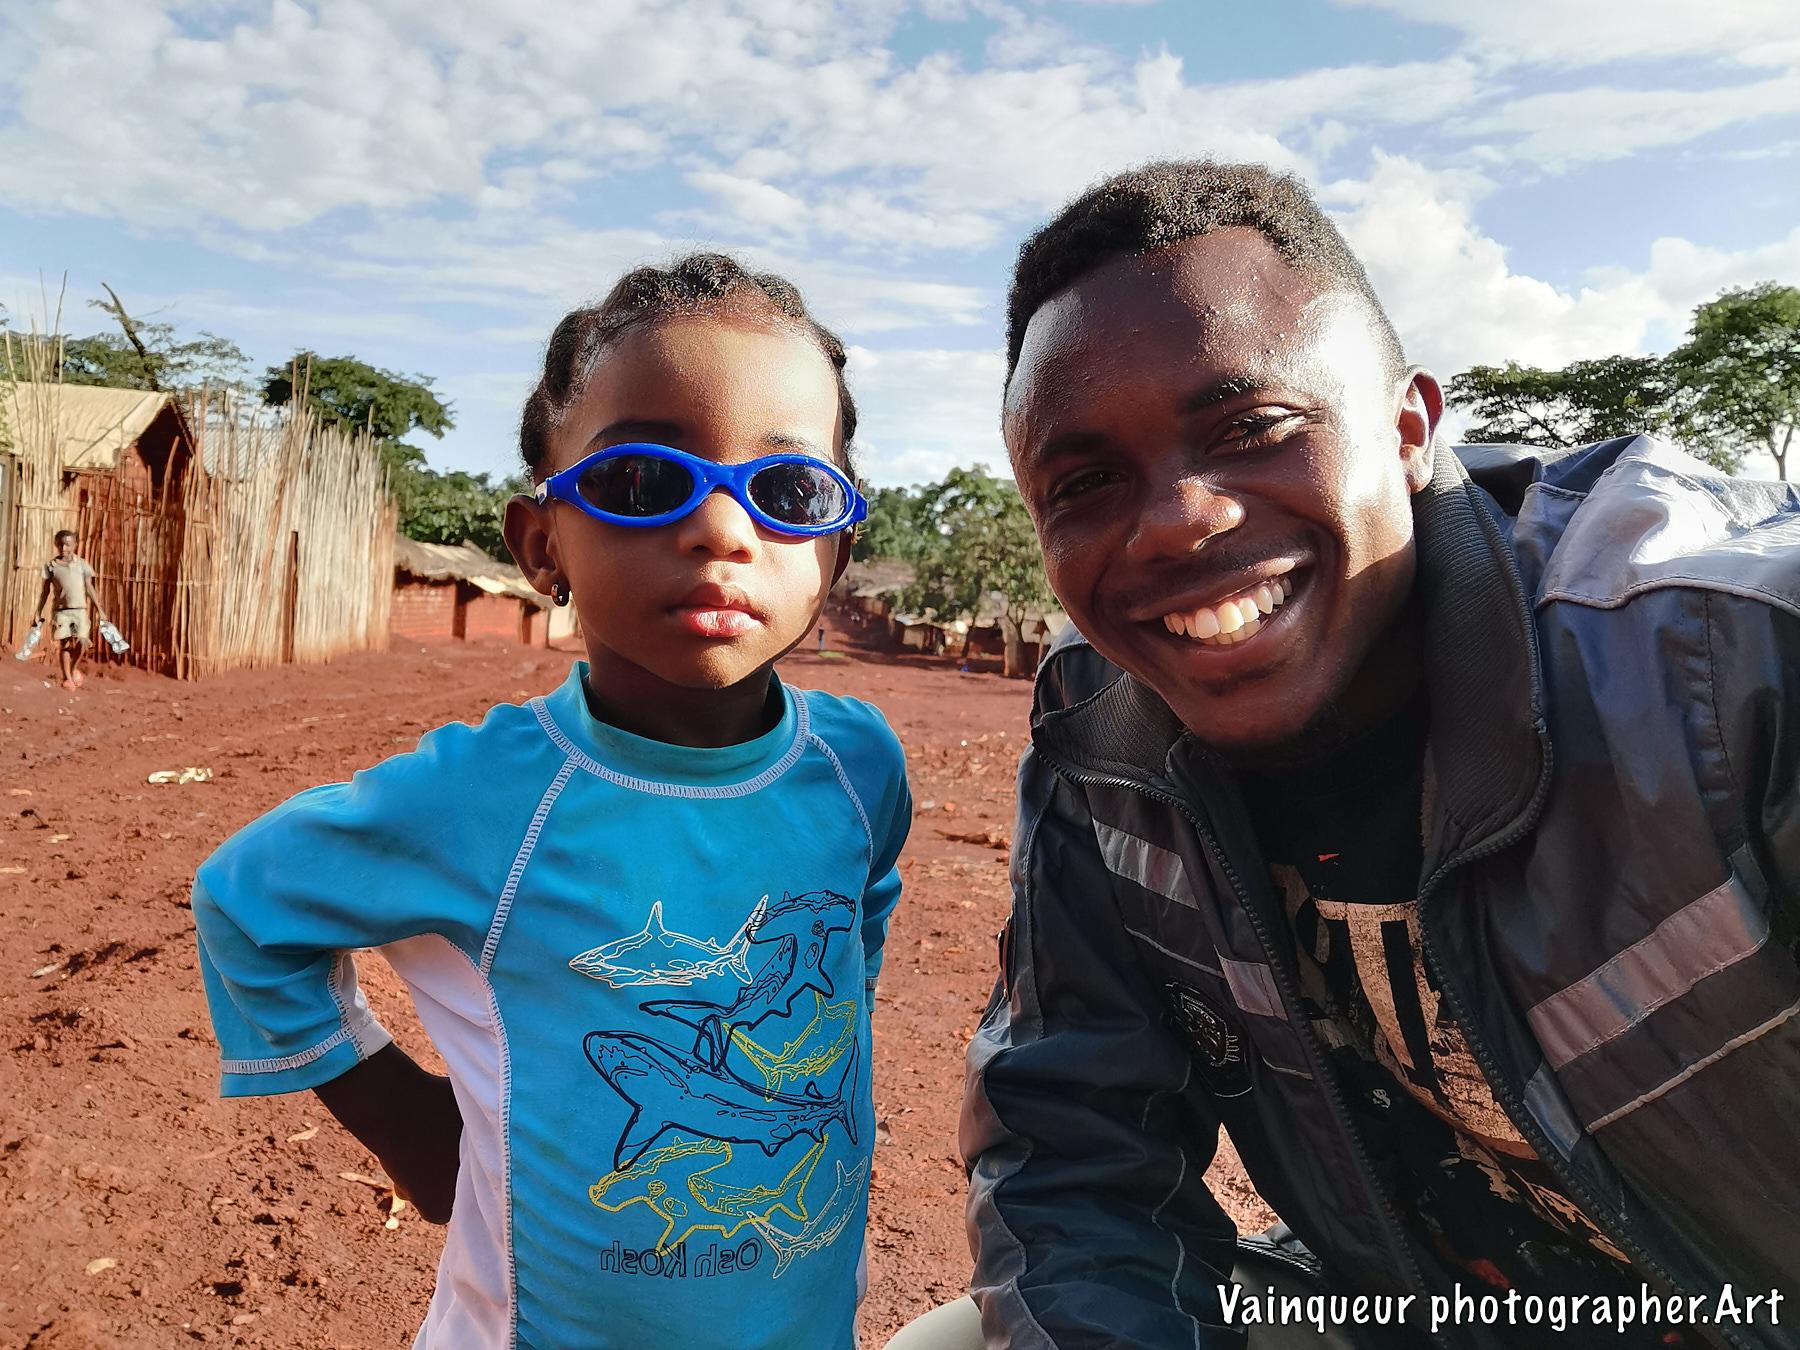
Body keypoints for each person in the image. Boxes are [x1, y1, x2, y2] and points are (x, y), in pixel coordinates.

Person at [950, 162, 1799, 1349]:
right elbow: (1070, 1158)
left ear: (1409, 430)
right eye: (1086, 481)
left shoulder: (1727, 662)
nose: (1179, 520)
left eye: (1252, 429)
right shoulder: (1104, 731)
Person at [192, 253, 913, 1349]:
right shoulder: (480, 800)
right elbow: (245, 903)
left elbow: (855, 921)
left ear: (838, 549)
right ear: (543, 547)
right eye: (642, 482)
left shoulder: (860, 766)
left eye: (790, 493)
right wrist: (408, 1123)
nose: (725, 531)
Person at [33, 529, 109, 689]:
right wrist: (38, 611)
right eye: (60, 545)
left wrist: (100, 609)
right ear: (56, 545)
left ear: (74, 545)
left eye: (68, 545)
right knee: (65, 644)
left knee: (82, 641)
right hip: (62, 612)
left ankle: (72, 669)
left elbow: (89, 588)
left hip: (79, 610)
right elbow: (45, 592)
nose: (64, 548)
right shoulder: (51, 566)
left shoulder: (82, 565)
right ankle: (68, 679)